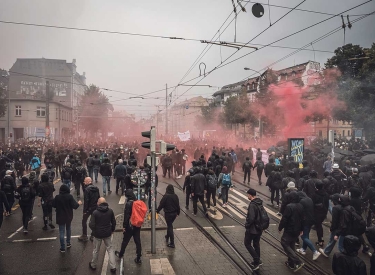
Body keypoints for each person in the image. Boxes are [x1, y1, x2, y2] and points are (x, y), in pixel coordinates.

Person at [278, 191, 305, 271]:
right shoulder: (301, 206)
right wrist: (301, 229)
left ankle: (297, 261)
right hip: (297, 229)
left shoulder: (289, 206)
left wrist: (280, 227)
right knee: (291, 244)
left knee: (284, 243)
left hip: (289, 229)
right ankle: (291, 263)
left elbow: (284, 219)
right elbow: (303, 219)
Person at [89, 197, 116, 273]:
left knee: (96, 250)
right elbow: (113, 222)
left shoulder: (95, 213)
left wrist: (95, 231)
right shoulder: (110, 211)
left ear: (99, 203)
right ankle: (113, 267)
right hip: (107, 233)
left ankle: (93, 265)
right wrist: (112, 230)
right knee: (110, 249)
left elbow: (91, 224)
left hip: (97, 234)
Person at [52, 184, 82, 252]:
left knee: (61, 231)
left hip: (60, 216)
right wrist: (79, 203)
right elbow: (75, 206)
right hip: (68, 216)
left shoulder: (57, 197)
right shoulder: (69, 197)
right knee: (68, 229)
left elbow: (53, 205)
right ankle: (68, 242)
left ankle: (62, 247)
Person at [115, 189, 142, 264]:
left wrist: (124, 226)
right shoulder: (137, 202)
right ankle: (138, 257)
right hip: (137, 225)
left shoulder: (128, 204)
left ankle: (121, 254)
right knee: (137, 241)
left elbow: (126, 216)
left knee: (125, 241)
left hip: (130, 225)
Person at [296, 191, 321, 260]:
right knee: (306, 235)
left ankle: (315, 251)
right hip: (311, 220)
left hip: (305, 221)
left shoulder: (301, 202)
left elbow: (300, 213)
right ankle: (303, 249)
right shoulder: (309, 199)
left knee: (303, 237)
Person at [244, 189, 264, 270]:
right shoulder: (259, 202)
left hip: (252, 229)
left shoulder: (252, 205)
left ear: (250, 195)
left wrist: (247, 225)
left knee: (247, 243)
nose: (247, 196)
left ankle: (256, 260)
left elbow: (251, 218)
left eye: (248, 194)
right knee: (256, 244)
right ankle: (257, 261)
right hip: (259, 228)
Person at [78, 177, 100, 242]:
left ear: (87, 182)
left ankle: (84, 235)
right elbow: (98, 197)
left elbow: (86, 200)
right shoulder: (96, 188)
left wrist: (85, 210)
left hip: (89, 208)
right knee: (94, 222)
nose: (84, 182)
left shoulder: (86, 189)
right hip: (95, 207)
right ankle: (93, 235)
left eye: (85, 181)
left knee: (84, 221)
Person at [312, 181, 329, 248]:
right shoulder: (326, 194)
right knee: (319, 225)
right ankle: (320, 240)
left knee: (318, 226)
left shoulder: (315, 195)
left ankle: (320, 241)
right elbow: (327, 204)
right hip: (324, 212)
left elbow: (312, 204)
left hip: (317, 213)